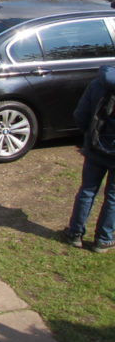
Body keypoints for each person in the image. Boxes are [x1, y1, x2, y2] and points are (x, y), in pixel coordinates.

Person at [60, 66, 115, 253]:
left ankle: (75, 233)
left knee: (87, 190)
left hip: (95, 148)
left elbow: (80, 115)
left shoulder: (97, 84)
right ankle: (103, 239)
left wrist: (89, 137)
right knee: (113, 198)